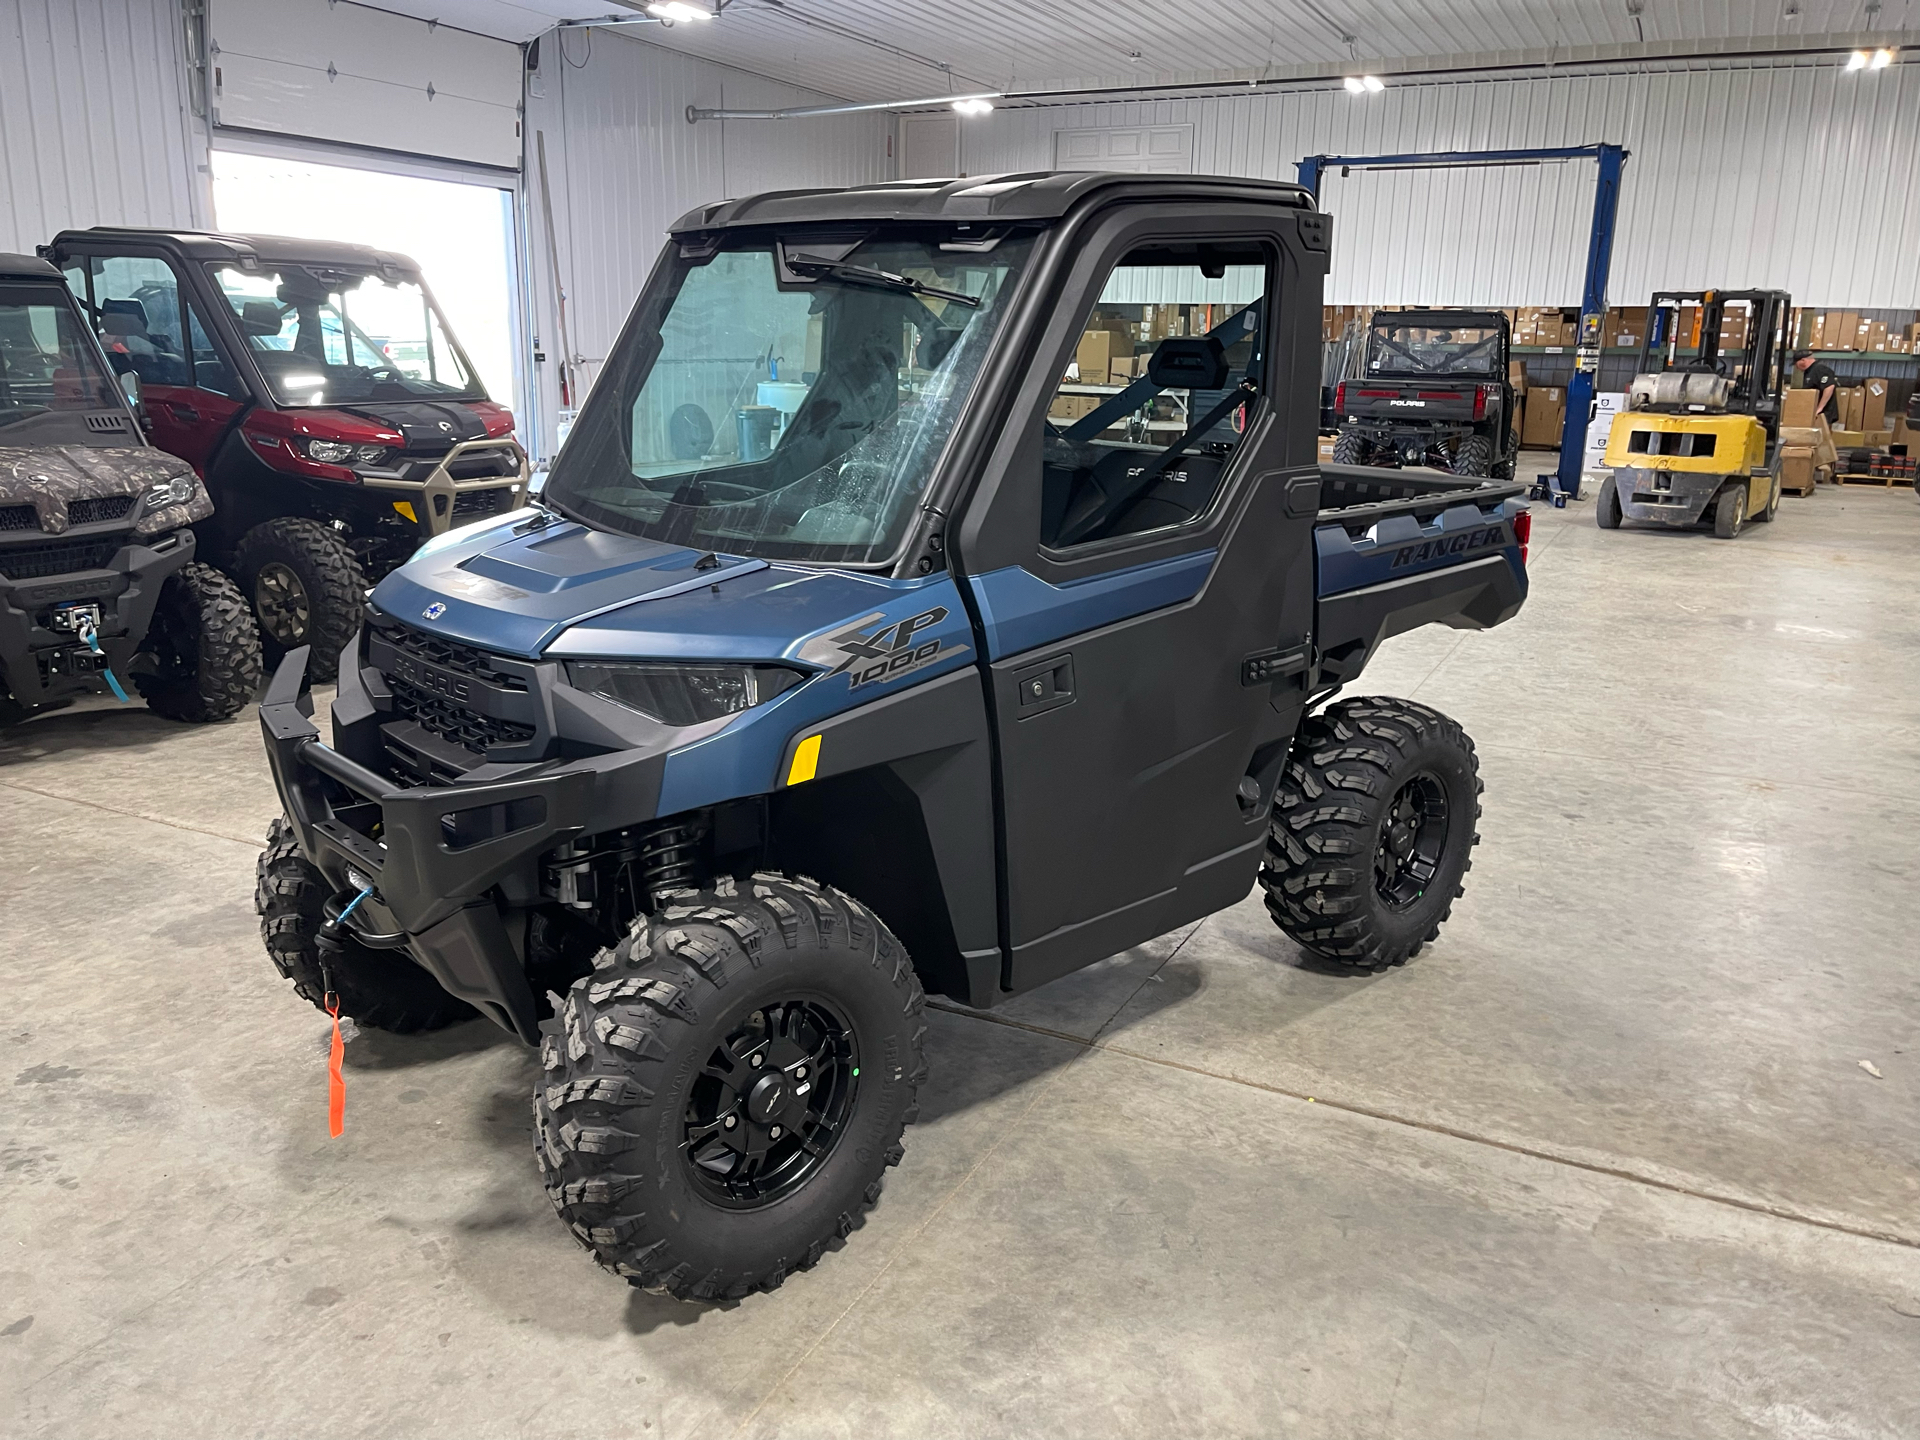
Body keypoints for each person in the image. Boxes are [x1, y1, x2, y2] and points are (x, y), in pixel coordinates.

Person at [1792, 351, 1838, 423]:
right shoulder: (1809, 371)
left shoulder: (1820, 369)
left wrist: (1819, 408)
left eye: (1796, 364)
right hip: (1812, 413)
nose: (1796, 367)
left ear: (1803, 360)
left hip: (1823, 414)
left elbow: (1829, 387)